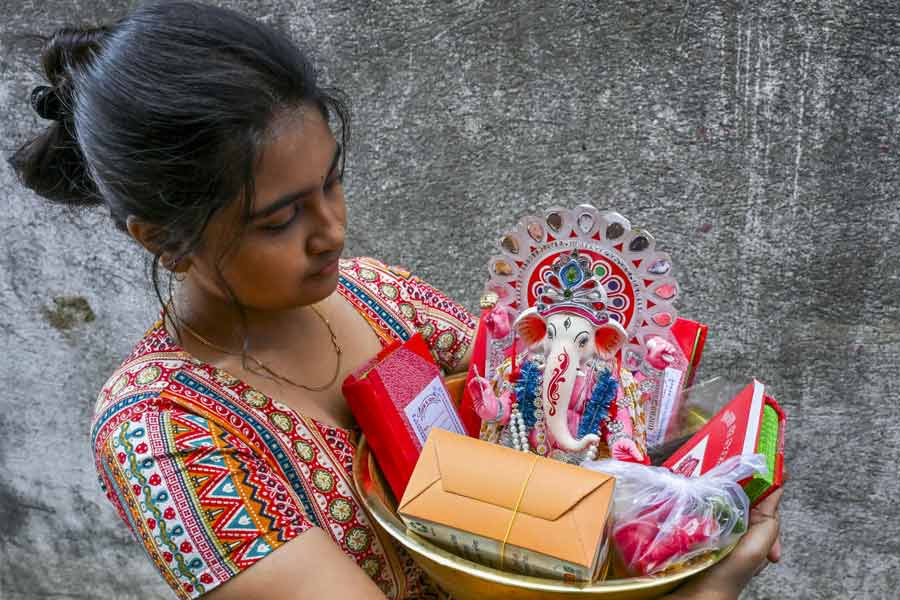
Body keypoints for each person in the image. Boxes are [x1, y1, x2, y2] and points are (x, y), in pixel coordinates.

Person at [8, 2, 784, 599]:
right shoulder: (163, 429)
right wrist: (710, 589)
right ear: (163, 239)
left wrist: (674, 482)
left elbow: (531, 418)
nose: (332, 231)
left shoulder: (379, 296)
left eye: (331, 182)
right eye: (280, 218)